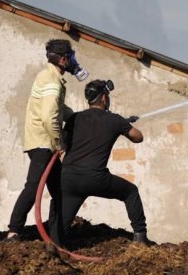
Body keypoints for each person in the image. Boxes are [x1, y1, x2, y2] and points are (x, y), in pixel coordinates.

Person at [4, 39, 85, 242]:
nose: (74, 61)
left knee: (59, 190)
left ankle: (56, 234)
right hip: (43, 142)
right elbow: (49, 116)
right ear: (64, 59)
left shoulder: (50, 77)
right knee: (33, 187)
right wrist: (60, 144)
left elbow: (58, 109)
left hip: (44, 141)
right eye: (71, 57)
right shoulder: (52, 80)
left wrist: (77, 117)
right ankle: (14, 231)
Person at [56, 78, 150, 245]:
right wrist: (122, 125)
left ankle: (56, 245)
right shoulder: (114, 120)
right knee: (130, 192)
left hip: (69, 178)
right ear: (104, 98)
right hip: (94, 178)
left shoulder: (74, 119)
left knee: (60, 229)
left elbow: (61, 145)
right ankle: (140, 237)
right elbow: (138, 137)